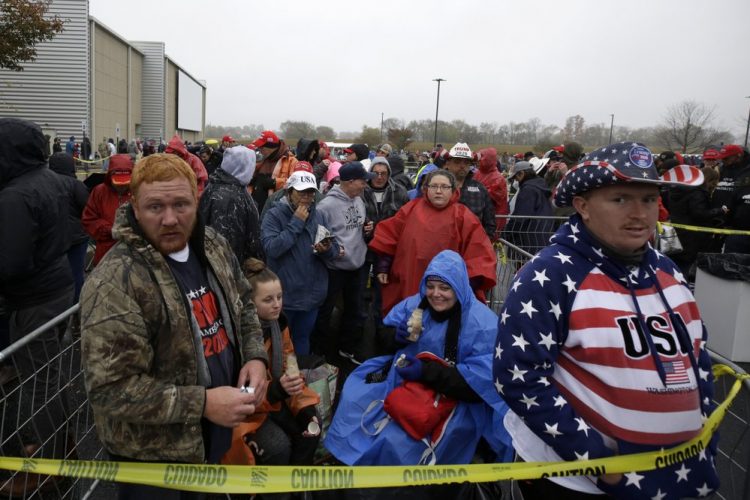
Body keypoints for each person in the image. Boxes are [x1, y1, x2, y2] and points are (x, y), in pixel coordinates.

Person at [494, 142, 718, 499]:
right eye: (620, 199)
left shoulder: (668, 271)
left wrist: (705, 434)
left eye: (647, 199)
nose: (640, 214)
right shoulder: (549, 275)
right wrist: (595, 458)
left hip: (676, 474)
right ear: (582, 205)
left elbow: (695, 359)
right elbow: (519, 376)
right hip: (580, 482)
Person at [80, 153, 269, 499]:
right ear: (135, 207)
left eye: (181, 204)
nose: (170, 219)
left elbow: (243, 305)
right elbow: (111, 390)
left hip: (210, 437)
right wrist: (202, 404)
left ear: (196, 200)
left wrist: (256, 357)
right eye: (155, 207)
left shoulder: (213, 245)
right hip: (154, 460)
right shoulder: (115, 282)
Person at [324, 251, 512, 497]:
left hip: (455, 401)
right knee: (354, 395)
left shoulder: (482, 323)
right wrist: (395, 336)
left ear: (459, 287)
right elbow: (383, 337)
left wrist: (425, 371)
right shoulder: (416, 304)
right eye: (431, 286)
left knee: (399, 440)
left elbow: (479, 385)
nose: (435, 294)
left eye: (445, 287)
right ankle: (349, 465)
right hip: (403, 381)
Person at [0, 119, 74, 495]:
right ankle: (56, 449)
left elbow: (10, 263)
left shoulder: (15, 194)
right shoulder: (48, 179)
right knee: (48, 376)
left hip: (34, 299)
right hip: (57, 287)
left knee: (40, 384)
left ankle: (52, 463)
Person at [222, 258, 321, 478]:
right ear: (248, 303)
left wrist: (304, 407)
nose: (277, 304)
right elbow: (240, 395)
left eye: (279, 297)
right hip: (246, 413)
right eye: (268, 299)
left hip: (273, 399)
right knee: (278, 447)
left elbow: (290, 367)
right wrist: (277, 390)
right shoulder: (235, 337)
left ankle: (296, 486)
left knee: (312, 428)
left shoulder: (279, 326)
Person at [370, 169, 497, 316]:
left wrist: (467, 285)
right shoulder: (410, 209)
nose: (438, 191)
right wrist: (384, 265)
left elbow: (479, 253)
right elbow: (390, 235)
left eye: (444, 187)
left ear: (453, 190)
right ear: (426, 189)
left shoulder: (464, 216)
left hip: (448, 289)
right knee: (411, 323)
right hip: (410, 278)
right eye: (434, 186)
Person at [261, 171, 339, 355]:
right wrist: (296, 222)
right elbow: (271, 248)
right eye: (301, 192)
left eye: (311, 193)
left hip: (311, 296)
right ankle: (278, 381)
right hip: (285, 297)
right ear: (289, 192)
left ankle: (300, 377)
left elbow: (334, 251)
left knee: (303, 339)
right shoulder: (274, 215)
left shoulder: (319, 215)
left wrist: (326, 249)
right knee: (279, 344)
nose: (307, 198)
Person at [313, 161, 374, 364]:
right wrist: (334, 253)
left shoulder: (359, 199)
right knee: (325, 312)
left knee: (355, 311)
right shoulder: (326, 206)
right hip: (334, 269)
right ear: (349, 181)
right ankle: (318, 354)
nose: (365, 184)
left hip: (357, 266)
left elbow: (356, 228)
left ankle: (347, 349)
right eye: (362, 181)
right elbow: (319, 240)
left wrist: (368, 230)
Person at [362, 156, 410, 329]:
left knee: (382, 292)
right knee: (361, 292)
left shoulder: (400, 192)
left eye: (383, 173)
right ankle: (360, 327)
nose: (379, 177)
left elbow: (405, 220)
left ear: (389, 173)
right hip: (363, 249)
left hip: (387, 252)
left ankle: (381, 326)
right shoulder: (361, 190)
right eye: (375, 173)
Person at [199, 146, 264, 264]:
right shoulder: (229, 198)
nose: (253, 170)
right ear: (243, 167)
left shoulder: (223, 183)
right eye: (252, 165)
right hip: (233, 270)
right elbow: (228, 246)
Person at [49, 152, 90, 302]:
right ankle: (76, 307)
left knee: (54, 275)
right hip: (76, 237)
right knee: (76, 274)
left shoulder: (45, 183)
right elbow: (87, 208)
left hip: (53, 237)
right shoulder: (76, 184)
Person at [442, 142, 496, 240]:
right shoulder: (437, 187)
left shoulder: (480, 189)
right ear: (447, 164)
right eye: (457, 161)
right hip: (443, 244)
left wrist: (481, 243)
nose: (462, 166)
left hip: (472, 247)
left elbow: (490, 223)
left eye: (466, 162)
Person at [502, 160, 555, 254]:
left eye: (516, 177)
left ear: (521, 174)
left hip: (527, 242)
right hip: (541, 238)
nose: (516, 181)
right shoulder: (540, 186)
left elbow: (520, 217)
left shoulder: (528, 190)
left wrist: (505, 234)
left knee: (522, 268)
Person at [250, 130, 299, 212]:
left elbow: (295, 183)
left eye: (262, 147)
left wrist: (274, 182)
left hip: (277, 210)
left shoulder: (292, 161)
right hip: (256, 209)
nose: (260, 150)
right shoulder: (263, 159)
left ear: (271, 147)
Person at [714, 144, 750, 253]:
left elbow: (737, 196)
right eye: (722, 158)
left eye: (726, 158)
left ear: (738, 156)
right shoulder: (720, 169)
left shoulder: (746, 172)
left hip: (739, 224)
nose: (723, 160)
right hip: (720, 219)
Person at [474, 147, 510, 236]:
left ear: (487, 160)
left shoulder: (498, 178)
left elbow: (488, 197)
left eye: (480, 160)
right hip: (478, 217)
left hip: (492, 220)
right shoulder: (478, 173)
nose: (477, 162)